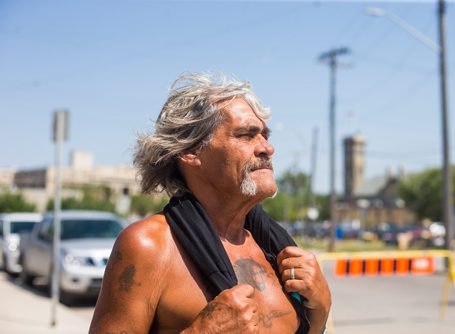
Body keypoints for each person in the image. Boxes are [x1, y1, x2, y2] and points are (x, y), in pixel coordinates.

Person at [89, 73, 331, 334]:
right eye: (246, 135)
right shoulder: (150, 245)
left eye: (265, 136)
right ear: (190, 151)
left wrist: (319, 314)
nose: (266, 148)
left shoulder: (272, 245)